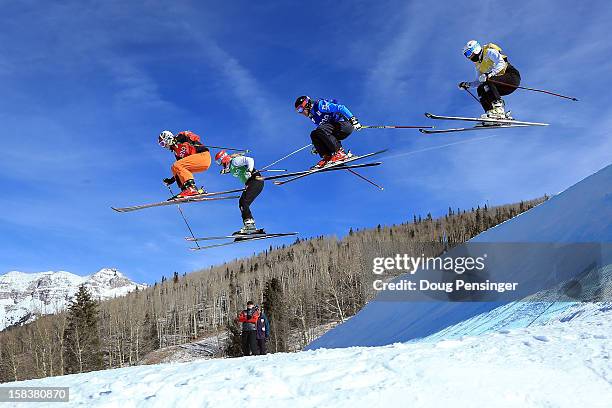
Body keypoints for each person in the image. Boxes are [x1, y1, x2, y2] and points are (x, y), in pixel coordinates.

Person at [458, 40, 521, 121]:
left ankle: (499, 110)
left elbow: (501, 63)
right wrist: (467, 85)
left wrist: (489, 74)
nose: (469, 57)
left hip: (512, 78)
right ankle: (491, 113)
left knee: (488, 80)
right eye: (466, 55)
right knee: (480, 88)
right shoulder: (478, 65)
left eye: (468, 53)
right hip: (499, 85)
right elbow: (479, 81)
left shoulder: (488, 52)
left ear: (475, 49)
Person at [294, 95, 363, 169]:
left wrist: (353, 120)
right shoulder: (313, 117)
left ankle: (340, 154)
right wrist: (319, 145)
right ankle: (328, 157)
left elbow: (340, 107)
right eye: (298, 111)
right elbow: (322, 132)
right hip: (333, 131)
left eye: (300, 109)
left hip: (344, 125)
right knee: (314, 134)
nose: (300, 112)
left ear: (307, 104)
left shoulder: (320, 105)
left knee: (320, 129)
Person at [214, 151, 265, 234]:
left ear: (224, 159)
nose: (220, 164)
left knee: (243, 202)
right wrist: (225, 171)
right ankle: (249, 225)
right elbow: (232, 169)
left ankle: (250, 225)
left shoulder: (235, 161)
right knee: (242, 203)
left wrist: (249, 170)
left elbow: (250, 160)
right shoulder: (231, 166)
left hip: (255, 180)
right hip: (252, 183)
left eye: (220, 162)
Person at [158, 130, 211, 198]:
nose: (164, 146)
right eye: (162, 145)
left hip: (203, 156)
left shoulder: (180, 137)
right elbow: (179, 170)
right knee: (174, 168)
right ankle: (186, 190)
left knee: (177, 165)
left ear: (167, 138)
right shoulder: (176, 152)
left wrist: (178, 139)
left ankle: (191, 189)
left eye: (163, 143)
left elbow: (190, 136)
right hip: (196, 161)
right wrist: (171, 181)